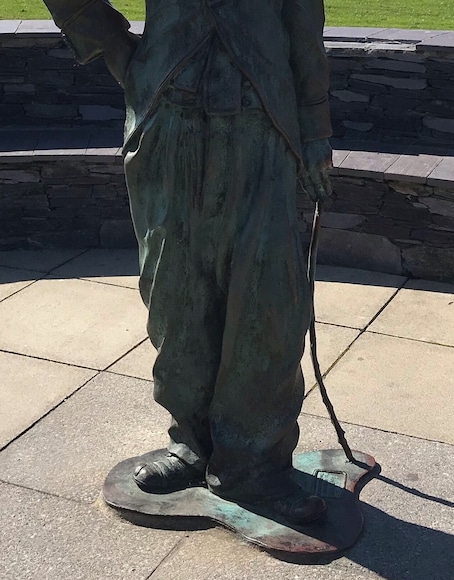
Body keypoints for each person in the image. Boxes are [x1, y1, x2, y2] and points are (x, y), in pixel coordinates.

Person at [40, 0, 335, 525]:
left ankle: (254, 463)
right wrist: (116, 49)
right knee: (174, 297)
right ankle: (193, 442)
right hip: (168, 120)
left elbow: (302, 26)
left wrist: (315, 133)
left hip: (262, 127)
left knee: (266, 307)